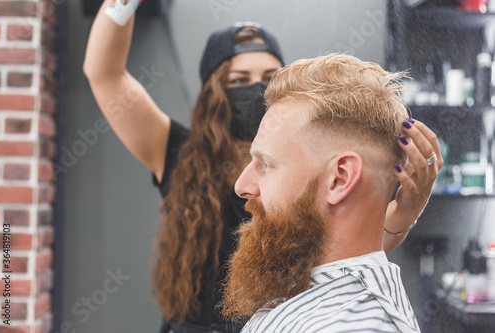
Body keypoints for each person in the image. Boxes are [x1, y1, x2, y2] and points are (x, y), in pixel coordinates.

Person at [83, 1, 441, 332]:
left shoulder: (310, 163)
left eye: (269, 78)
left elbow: (341, 242)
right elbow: (105, 76)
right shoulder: (178, 152)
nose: (255, 90)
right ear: (214, 91)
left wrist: (405, 212)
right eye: (239, 81)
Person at [221, 53, 439, 332]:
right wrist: (402, 216)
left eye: (266, 164)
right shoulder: (309, 281)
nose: (242, 185)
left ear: (340, 179)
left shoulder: (352, 326)